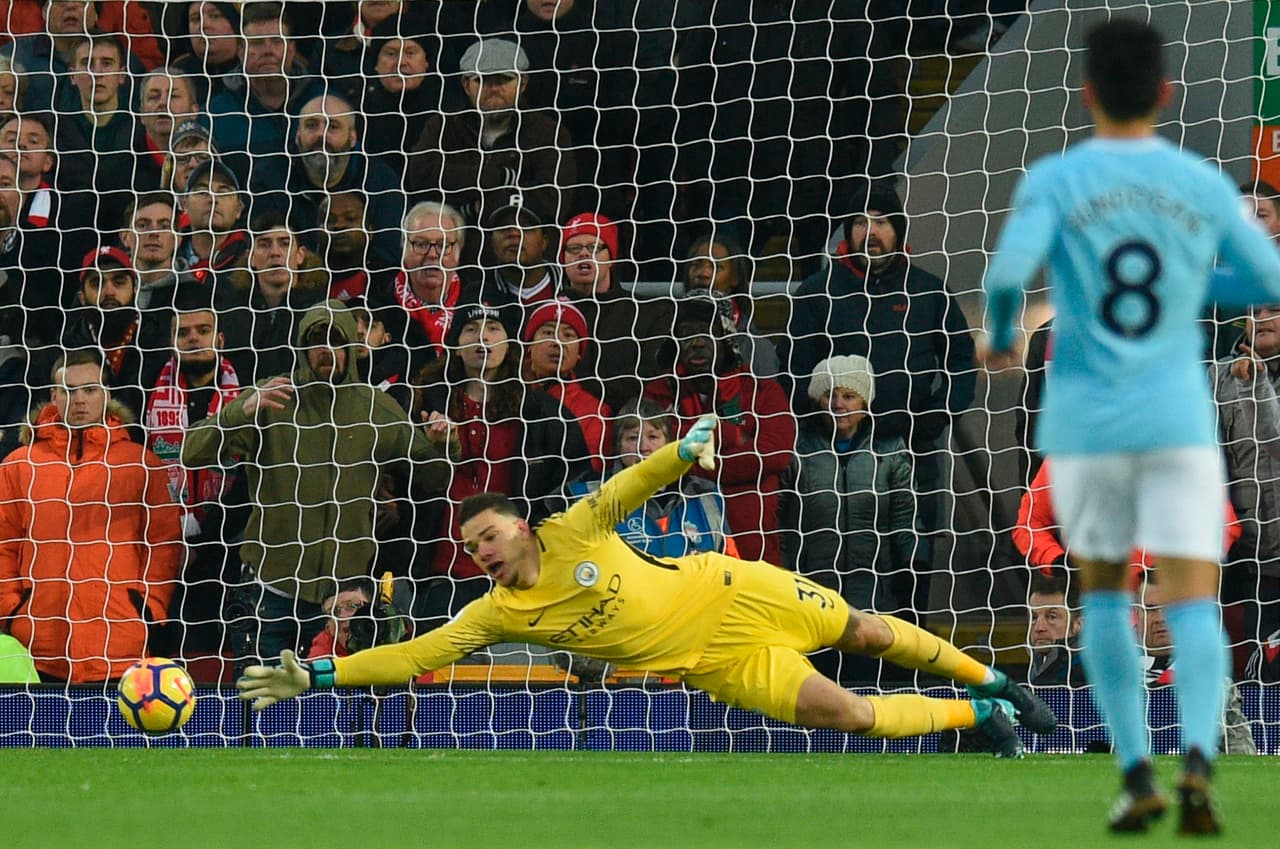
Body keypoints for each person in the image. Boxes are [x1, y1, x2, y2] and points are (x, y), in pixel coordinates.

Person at [238, 415, 1058, 760]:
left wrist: (682, 451)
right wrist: (317, 674)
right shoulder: (494, 610)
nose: (480, 550)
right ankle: (979, 717)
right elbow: (415, 653)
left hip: (732, 588)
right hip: (710, 660)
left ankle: (995, 677)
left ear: (521, 525)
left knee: (867, 634)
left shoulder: (574, 529)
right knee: (846, 712)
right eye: (469, 545)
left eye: (488, 534)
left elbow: (627, 487)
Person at [980, 18, 1280, 834]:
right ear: (1164, 92)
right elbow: (1266, 273)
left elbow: (1006, 277)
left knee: (1106, 597)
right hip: (1177, 419)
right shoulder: (1197, 181)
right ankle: (1198, 760)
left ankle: (1135, 767)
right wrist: (1191, 286)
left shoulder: (1060, 177)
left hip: (1088, 425)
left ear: (1087, 94)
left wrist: (1007, 333)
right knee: (1191, 602)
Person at [181, 302, 441, 661]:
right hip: (268, 595)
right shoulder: (273, 396)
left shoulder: (377, 408)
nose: (326, 349)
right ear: (302, 348)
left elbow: (433, 477)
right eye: (316, 340)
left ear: (351, 345)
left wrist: (445, 444)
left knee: (336, 714)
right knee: (260, 707)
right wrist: (236, 414)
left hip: (343, 604)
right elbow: (191, 453)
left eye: (336, 339)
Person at [784, 181, 976, 609]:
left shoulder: (928, 290)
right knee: (832, 564)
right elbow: (793, 367)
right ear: (846, 231)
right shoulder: (818, 291)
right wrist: (822, 419)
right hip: (837, 459)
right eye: (859, 222)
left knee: (913, 562)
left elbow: (961, 359)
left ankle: (909, 666)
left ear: (899, 229)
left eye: (881, 221)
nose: (870, 231)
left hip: (914, 449)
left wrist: (940, 413)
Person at [0, 349, 183, 683]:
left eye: (90, 389)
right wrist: (12, 609)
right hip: (37, 645)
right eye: (68, 390)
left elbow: (164, 544)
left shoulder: (140, 464)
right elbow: (4, 545)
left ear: (106, 394)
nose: (79, 400)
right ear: (53, 396)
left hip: (121, 644)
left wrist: (149, 607)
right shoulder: (18, 465)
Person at [408, 299, 591, 624]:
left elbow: (573, 487)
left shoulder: (544, 413)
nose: (484, 338)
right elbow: (406, 485)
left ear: (510, 343)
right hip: (442, 574)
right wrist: (435, 451)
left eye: (494, 329)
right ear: (455, 344)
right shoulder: (423, 405)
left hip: (516, 576)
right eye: (471, 330)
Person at [644, 293, 795, 566]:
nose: (697, 343)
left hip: (754, 554)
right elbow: (654, 451)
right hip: (683, 558)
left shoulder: (763, 392)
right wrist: (732, 436)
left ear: (726, 336)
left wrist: (691, 462)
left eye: (706, 332)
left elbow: (776, 455)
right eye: (686, 334)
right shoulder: (658, 394)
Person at [780, 355, 921, 618]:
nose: (838, 405)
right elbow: (779, 521)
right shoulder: (796, 450)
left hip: (874, 596)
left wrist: (911, 574)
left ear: (865, 402)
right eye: (829, 395)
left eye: (848, 396)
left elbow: (906, 519)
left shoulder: (889, 451)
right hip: (810, 596)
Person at [143, 296, 245, 655]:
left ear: (220, 339)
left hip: (227, 550)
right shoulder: (144, 390)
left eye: (203, 330)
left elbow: (252, 477)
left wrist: (209, 538)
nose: (193, 339)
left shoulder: (247, 392)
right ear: (171, 341)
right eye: (183, 332)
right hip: (161, 546)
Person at [406, 37, 577, 227]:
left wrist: (470, 210)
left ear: (523, 83)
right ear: (465, 84)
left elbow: (551, 203)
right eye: (483, 80)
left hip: (521, 245)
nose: (494, 88)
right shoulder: (441, 126)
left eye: (504, 79)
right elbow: (421, 180)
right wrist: (499, 178)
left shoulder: (548, 133)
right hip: (452, 248)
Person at [568, 399, 736, 558]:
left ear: (668, 443)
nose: (643, 448)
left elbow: (730, 564)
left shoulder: (705, 495)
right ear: (618, 446)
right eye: (632, 438)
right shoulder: (590, 496)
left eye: (653, 437)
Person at [1211, 302, 1280, 683]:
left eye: (1273, 310)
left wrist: (1255, 383)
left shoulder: (1245, 378)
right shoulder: (1220, 375)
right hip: (1243, 559)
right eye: (1254, 311)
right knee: (1255, 673)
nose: (1261, 319)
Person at [557, 211, 672, 412]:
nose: (583, 254)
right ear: (563, 259)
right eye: (574, 248)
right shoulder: (546, 313)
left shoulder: (648, 312)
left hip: (628, 420)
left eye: (594, 247)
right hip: (560, 417)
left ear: (611, 258)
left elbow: (648, 378)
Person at [521, 298, 612, 471]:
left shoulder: (595, 412)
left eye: (568, 335)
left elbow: (589, 474)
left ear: (580, 352)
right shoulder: (506, 394)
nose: (558, 342)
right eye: (548, 333)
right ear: (529, 345)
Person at [683, 233, 780, 378]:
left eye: (716, 267)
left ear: (735, 278)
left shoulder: (757, 349)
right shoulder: (666, 338)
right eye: (696, 265)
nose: (703, 273)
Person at [1026, 569, 1083, 686]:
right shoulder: (1039, 667)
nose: (1039, 628)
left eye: (1051, 617)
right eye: (1034, 617)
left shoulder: (1086, 673)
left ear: (1079, 624)